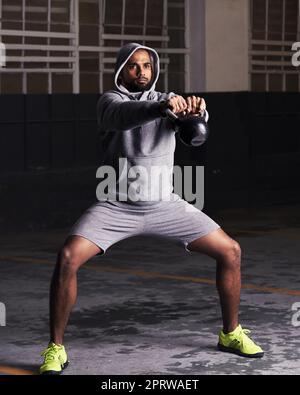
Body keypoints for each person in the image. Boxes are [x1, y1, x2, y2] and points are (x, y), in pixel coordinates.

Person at [39, 43, 263, 375]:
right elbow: (124, 117)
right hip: (114, 205)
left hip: (165, 204)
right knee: (68, 258)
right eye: (133, 66)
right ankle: (55, 348)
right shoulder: (111, 102)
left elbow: (193, 130)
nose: (142, 72)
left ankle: (230, 333)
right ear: (121, 71)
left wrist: (197, 112)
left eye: (146, 66)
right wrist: (162, 107)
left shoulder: (170, 100)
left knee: (231, 251)